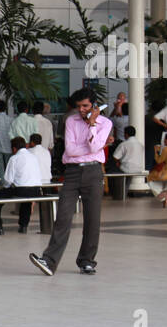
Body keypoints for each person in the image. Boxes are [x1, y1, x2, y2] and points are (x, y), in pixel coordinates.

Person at [30, 88, 111, 276]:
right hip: (73, 172)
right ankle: (49, 261)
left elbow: (95, 146)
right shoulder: (71, 121)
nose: (81, 110)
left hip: (93, 171)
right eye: (79, 106)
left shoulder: (105, 123)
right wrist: (93, 146)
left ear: (94, 105)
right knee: (63, 216)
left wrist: (92, 124)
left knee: (93, 219)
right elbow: (72, 150)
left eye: (85, 106)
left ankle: (87, 261)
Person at [0, 136, 42, 234]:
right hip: (36, 190)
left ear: (14, 148)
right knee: (27, 202)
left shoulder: (14, 158)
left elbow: (8, 180)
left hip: (22, 190)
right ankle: (23, 225)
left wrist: (5, 188)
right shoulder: (33, 157)